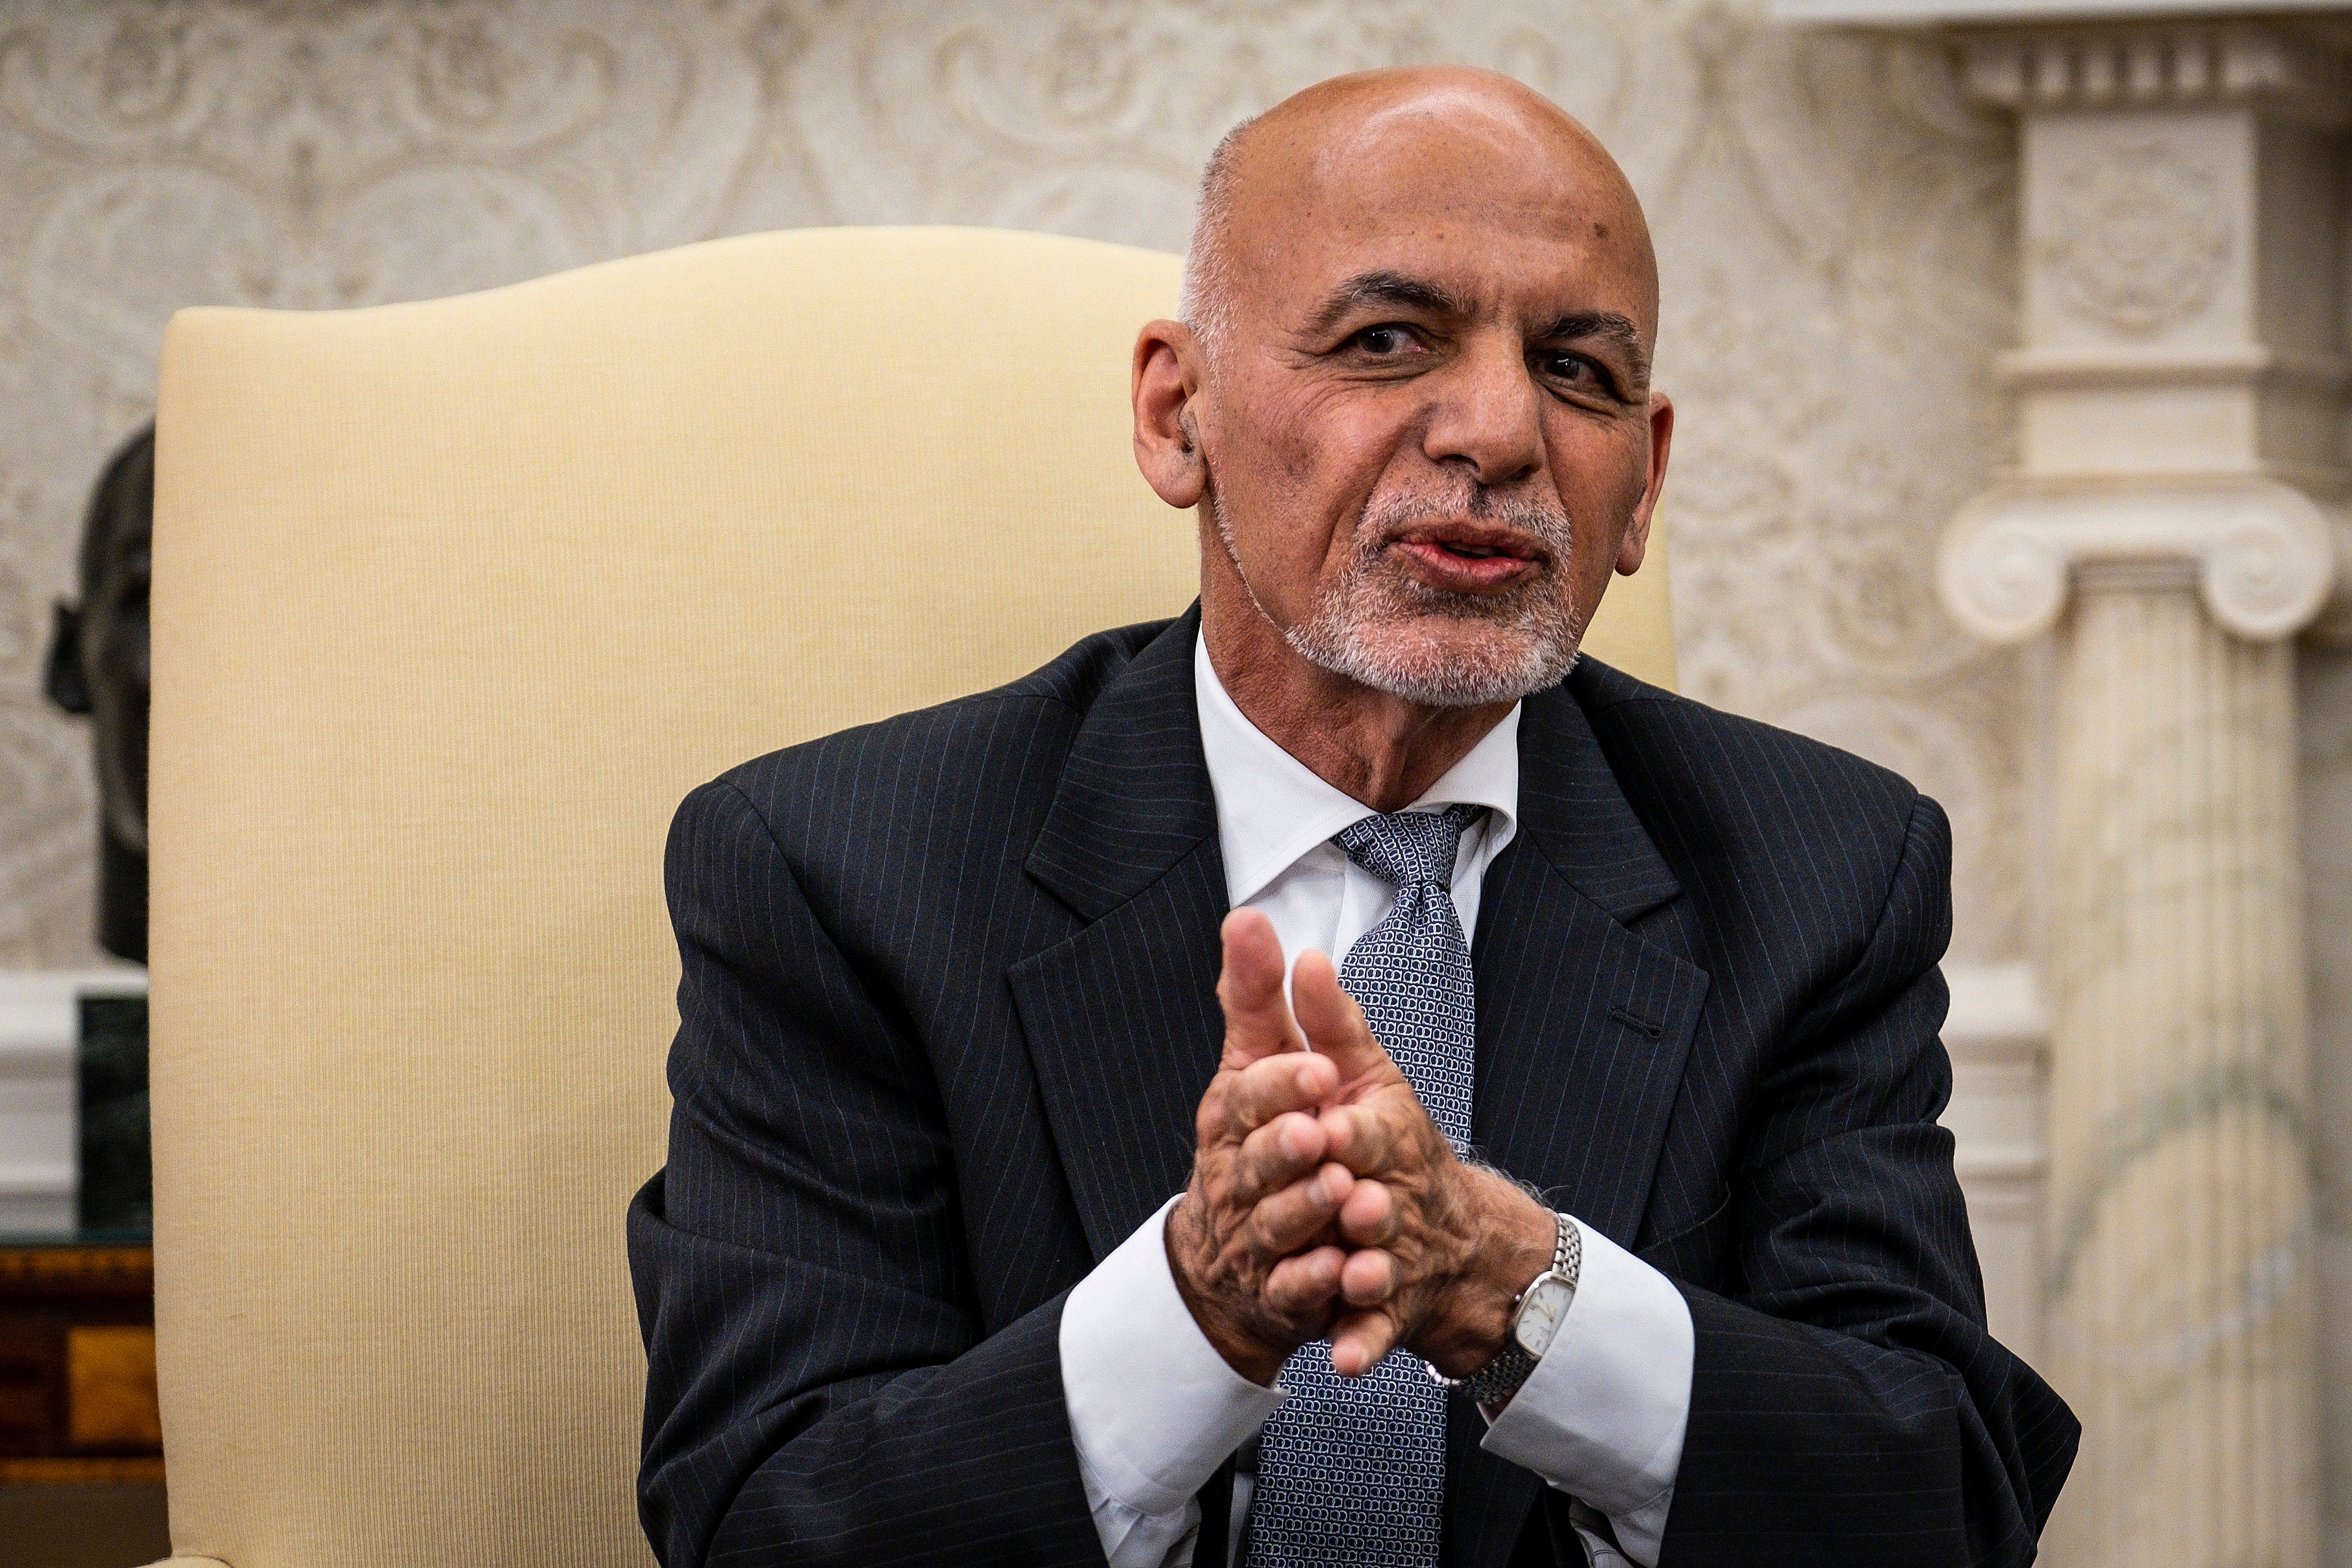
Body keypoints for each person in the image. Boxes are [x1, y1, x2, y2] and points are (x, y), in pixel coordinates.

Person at [627, 66, 2076, 1568]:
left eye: (1575, 370)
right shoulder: (834, 870)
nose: (1500, 431)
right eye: (1388, 340)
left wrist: (1528, 1291)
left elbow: (1939, 1507)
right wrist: (1196, 1308)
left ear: (1639, 488)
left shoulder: (1820, 871)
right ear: (1174, 413)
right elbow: (765, 1522)